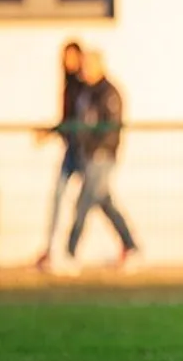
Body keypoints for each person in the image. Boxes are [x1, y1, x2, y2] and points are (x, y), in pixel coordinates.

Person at [57, 49, 140, 277]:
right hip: (87, 156)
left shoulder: (109, 92)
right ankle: (132, 247)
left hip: (101, 157)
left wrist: (94, 148)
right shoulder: (86, 92)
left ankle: (70, 254)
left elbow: (110, 128)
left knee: (84, 203)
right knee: (105, 203)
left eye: (87, 65)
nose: (83, 70)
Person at [33, 40, 85, 271]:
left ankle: (69, 251)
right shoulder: (68, 86)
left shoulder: (85, 87)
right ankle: (52, 249)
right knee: (58, 197)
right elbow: (67, 121)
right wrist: (51, 131)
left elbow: (81, 121)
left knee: (97, 199)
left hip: (86, 152)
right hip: (71, 150)